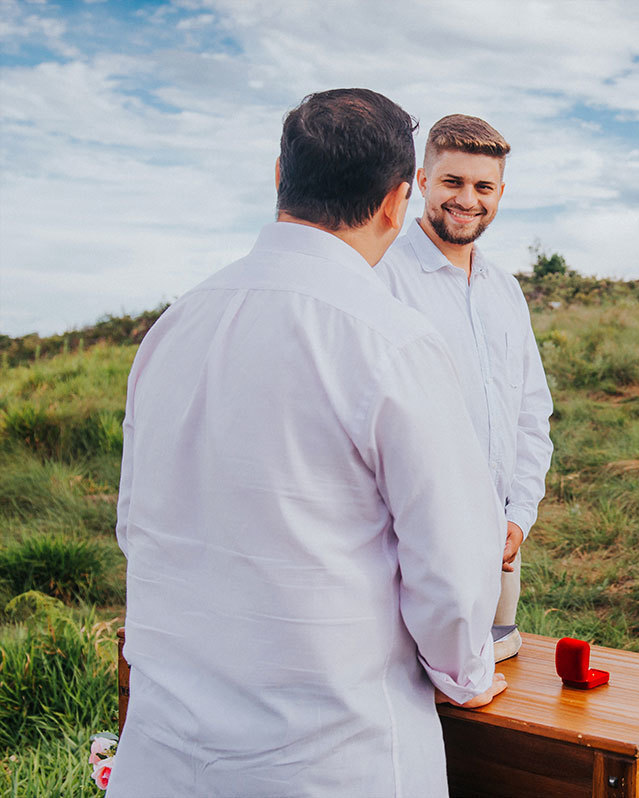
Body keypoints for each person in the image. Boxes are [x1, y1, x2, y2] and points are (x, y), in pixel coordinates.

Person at [108, 89, 507, 797]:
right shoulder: (395, 342)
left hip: (166, 757)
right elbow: (450, 571)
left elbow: (137, 526)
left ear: (278, 179)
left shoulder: (173, 328)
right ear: (396, 201)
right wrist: (466, 674)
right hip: (329, 759)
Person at [376, 114, 553, 641]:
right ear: (423, 181)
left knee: (494, 707)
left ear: (501, 192)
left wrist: (518, 517)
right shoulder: (381, 277)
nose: (468, 199)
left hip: (498, 547)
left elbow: (530, 414)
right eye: (452, 182)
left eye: (484, 186)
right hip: (410, 549)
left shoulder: (506, 290)